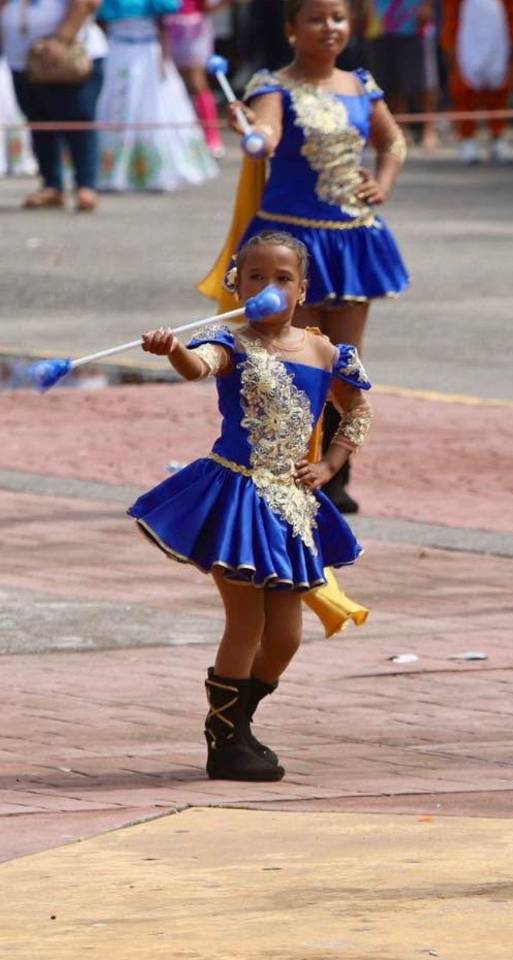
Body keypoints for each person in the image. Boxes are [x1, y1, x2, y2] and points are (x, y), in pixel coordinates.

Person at [130, 231, 374, 781]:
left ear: (302, 289)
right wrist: (174, 350)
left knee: (285, 638)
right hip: (237, 495)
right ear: (237, 284)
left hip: (291, 508)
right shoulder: (232, 342)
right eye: (257, 276)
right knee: (245, 624)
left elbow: (356, 411)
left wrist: (331, 466)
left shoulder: (323, 350)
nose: (270, 287)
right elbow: (199, 367)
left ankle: (237, 722)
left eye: (283, 279)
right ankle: (225, 745)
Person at [203, 0, 409, 513]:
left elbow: (393, 141)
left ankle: (335, 478)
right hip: (289, 248)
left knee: (344, 362)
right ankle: (279, 469)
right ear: (292, 29)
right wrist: (251, 134)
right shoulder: (273, 86)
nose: (330, 28)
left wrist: (382, 183)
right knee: (293, 359)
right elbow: (266, 137)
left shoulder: (362, 83)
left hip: (353, 239)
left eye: (338, 17)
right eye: (316, 18)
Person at [94, 0, 219, 191]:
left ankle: (157, 171)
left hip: (148, 51)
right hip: (117, 51)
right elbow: (101, 21)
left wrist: (165, 57)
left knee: (155, 108)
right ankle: (111, 170)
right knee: (117, 107)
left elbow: (162, 24)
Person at [1, 0, 108, 210]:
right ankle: (51, 185)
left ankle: (85, 185)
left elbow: (87, 3)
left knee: (78, 120)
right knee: (39, 121)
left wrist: (61, 39)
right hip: (23, 60)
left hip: (69, 59)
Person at [441, 0, 513, 164]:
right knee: (464, 92)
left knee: (499, 91)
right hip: (468, 36)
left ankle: (498, 139)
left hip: (498, 36)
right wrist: (449, 42)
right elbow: (451, 12)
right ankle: (467, 140)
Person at [362, 0, 441, 149]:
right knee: (389, 81)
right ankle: (400, 128)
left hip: (414, 19)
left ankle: (429, 128)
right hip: (380, 21)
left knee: (424, 80)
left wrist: (427, 5)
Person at [164, 0, 230, 157]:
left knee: (196, 83)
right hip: (168, 27)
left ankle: (211, 138)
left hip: (191, 28)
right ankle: (184, 138)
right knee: (175, 85)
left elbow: (208, 6)